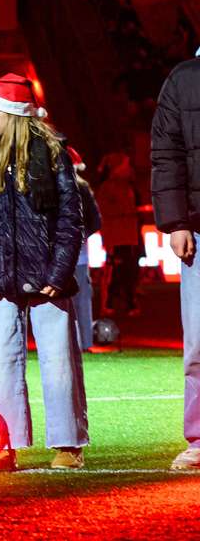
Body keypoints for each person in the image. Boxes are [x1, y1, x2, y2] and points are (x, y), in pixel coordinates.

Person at [0, 74, 88, 469]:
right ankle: (6, 443)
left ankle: (68, 446)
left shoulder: (52, 156)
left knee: (59, 362)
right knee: (4, 363)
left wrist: (58, 272)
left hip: (49, 280)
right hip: (1, 279)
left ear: (12, 113)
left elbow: (71, 217)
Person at [150, 49, 200, 470]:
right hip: (198, 229)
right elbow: (166, 151)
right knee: (199, 341)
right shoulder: (183, 78)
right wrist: (175, 221)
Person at [95, 151, 142, 318]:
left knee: (129, 270)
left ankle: (129, 301)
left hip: (129, 237)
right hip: (116, 237)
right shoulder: (107, 188)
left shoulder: (128, 187)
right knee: (115, 270)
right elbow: (103, 212)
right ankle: (108, 302)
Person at [67, 147, 101, 352]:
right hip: (74, 256)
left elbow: (95, 221)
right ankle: (83, 342)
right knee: (80, 300)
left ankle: (80, 342)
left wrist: (78, 236)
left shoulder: (80, 189)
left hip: (72, 256)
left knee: (73, 300)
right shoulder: (82, 187)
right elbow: (96, 222)